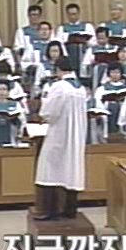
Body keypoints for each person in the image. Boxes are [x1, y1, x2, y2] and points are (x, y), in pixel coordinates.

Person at [34, 58, 87, 220]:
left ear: (58, 70)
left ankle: (51, 211)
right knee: (72, 169)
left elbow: (49, 113)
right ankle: (70, 209)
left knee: (50, 169)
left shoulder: (59, 86)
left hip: (59, 134)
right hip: (76, 135)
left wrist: (43, 110)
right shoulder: (81, 88)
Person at [57, 3, 95, 76]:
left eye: (74, 14)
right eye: (70, 14)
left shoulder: (87, 26)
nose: (72, 16)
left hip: (84, 54)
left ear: (79, 14)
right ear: (67, 15)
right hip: (69, 55)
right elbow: (59, 44)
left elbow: (93, 42)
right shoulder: (62, 28)